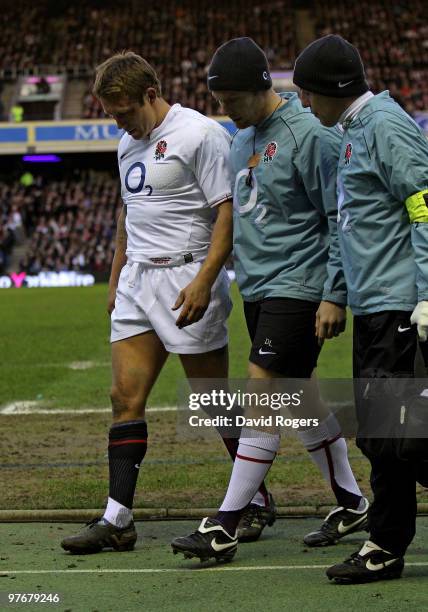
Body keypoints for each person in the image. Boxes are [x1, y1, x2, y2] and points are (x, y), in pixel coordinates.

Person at [171, 37, 368, 563]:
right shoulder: (240, 139)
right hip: (259, 288)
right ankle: (351, 502)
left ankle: (227, 524)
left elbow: (339, 219)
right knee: (301, 400)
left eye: (231, 99)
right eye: (218, 100)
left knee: (262, 394)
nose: (223, 109)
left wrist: (334, 294)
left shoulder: (310, 135)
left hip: (299, 285)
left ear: (261, 87)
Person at [60, 50, 246, 553]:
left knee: (213, 401)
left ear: (150, 94)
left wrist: (207, 279)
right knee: (124, 398)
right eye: (111, 113)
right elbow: (129, 216)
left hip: (188, 276)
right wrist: (116, 280)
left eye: (124, 111)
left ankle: (254, 498)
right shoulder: (126, 144)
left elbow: (227, 214)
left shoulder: (201, 134)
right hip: (139, 283)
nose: (119, 122)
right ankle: (117, 518)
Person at [293, 34, 428, 584]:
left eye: (306, 92)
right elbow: (354, 227)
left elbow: (424, 206)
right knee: (382, 437)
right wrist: (337, 291)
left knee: (401, 438)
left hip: (401, 307)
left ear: (331, 89)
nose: (303, 103)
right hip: (376, 308)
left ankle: (386, 541)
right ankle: (386, 544)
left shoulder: (386, 127)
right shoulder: (353, 132)